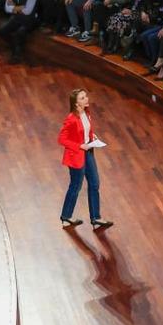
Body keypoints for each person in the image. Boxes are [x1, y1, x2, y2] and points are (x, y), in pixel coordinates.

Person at [57, 88, 113, 229]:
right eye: (82, 98)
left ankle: (95, 218)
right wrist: (80, 146)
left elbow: (86, 130)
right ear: (76, 104)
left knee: (94, 184)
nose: (86, 99)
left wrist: (91, 137)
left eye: (85, 96)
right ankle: (66, 217)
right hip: (77, 155)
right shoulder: (71, 119)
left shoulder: (87, 113)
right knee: (75, 186)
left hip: (88, 152)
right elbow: (61, 139)